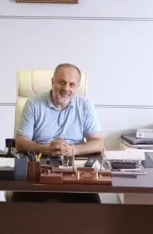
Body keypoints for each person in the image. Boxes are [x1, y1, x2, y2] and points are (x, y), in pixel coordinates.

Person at [14, 63, 104, 203]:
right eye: (62, 82)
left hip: (73, 170)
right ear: (52, 82)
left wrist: (72, 149)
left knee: (92, 206)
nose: (66, 88)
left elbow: (99, 143)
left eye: (71, 84)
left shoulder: (85, 105)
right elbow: (20, 142)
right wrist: (48, 149)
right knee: (20, 204)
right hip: (39, 167)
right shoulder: (33, 104)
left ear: (77, 87)